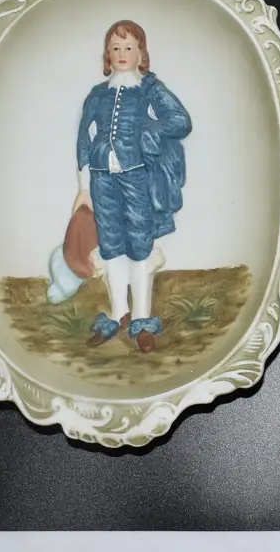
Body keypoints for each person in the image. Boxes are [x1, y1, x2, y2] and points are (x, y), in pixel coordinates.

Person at [75, 19, 192, 353]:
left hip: (136, 176)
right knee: (111, 244)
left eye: (129, 47)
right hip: (102, 178)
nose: (122, 53)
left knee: (140, 245)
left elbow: (180, 120)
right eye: (115, 47)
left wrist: (150, 131)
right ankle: (118, 313)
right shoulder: (97, 95)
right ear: (107, 55)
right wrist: (83, 186)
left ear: (141, 52)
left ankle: (141, 318)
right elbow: (84, 138)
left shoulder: (149, 89)